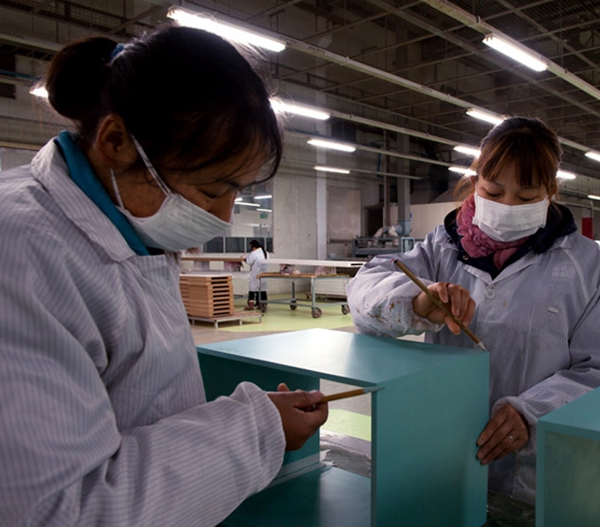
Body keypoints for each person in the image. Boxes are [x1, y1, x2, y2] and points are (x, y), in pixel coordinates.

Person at [0, 27, 328, 526]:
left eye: (236, 192)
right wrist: (255, 430)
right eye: (211, 190)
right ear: (116, 141)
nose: (224, 217)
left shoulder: (133, 227)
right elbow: (61, 511)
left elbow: (145, 405)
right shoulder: (21, 252)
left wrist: (251, 422)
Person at [347, 116, 600, 504]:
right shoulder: (441, 249)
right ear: (475, 182)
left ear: (550, 192)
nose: (507, 206)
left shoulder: (586, 266)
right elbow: (363, 292)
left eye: (526, 197)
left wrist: (533, 412)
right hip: (446, 457)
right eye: (493, 191)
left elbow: (595, 369)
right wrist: (417, 301)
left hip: (539, 475)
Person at [244, 239, 269, 311]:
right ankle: (263, 304)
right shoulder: (266, 253)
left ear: (253, 247)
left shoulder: (254, 253)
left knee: (252, 289)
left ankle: (251, 305)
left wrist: (245, 257)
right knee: (262, 289)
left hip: (256, 273)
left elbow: (249, 261)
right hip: (264, 273)